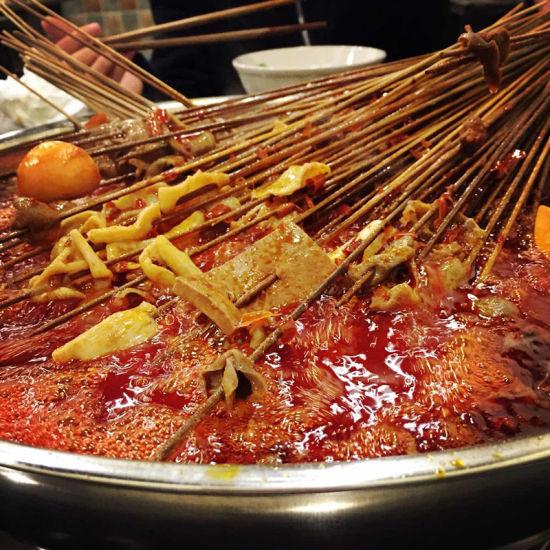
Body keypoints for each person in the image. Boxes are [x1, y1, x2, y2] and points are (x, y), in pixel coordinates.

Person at [42, 1, 455, 99]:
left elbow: (447, 49)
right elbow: (185, 89)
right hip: (248, 168)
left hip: (408, 139)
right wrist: (132, 86)